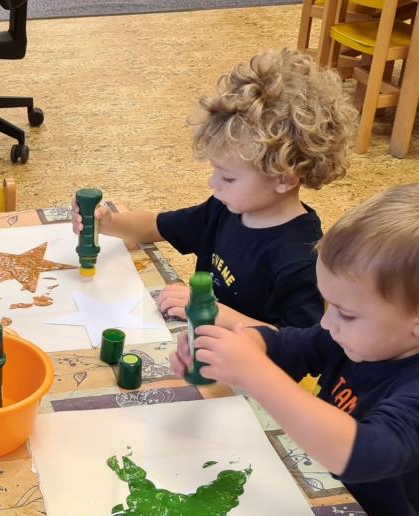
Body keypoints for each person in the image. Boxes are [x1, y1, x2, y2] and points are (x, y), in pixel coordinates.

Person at [174, 184, 419, 516]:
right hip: (316, 504)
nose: (327, 323)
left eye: (346, 313)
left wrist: (255, 373)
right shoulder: (363, 337)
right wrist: (234, 345)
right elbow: (290, 344)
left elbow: (361, 454)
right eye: (330, 305)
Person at [74, 48, 357, 329]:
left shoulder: (300, 258)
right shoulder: (225, 209)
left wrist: (211, 311)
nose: (213, 183)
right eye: (215, 171)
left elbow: (301, 345)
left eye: (228, 178)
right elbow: (154, 226)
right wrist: (107, 222)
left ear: (284, 178)